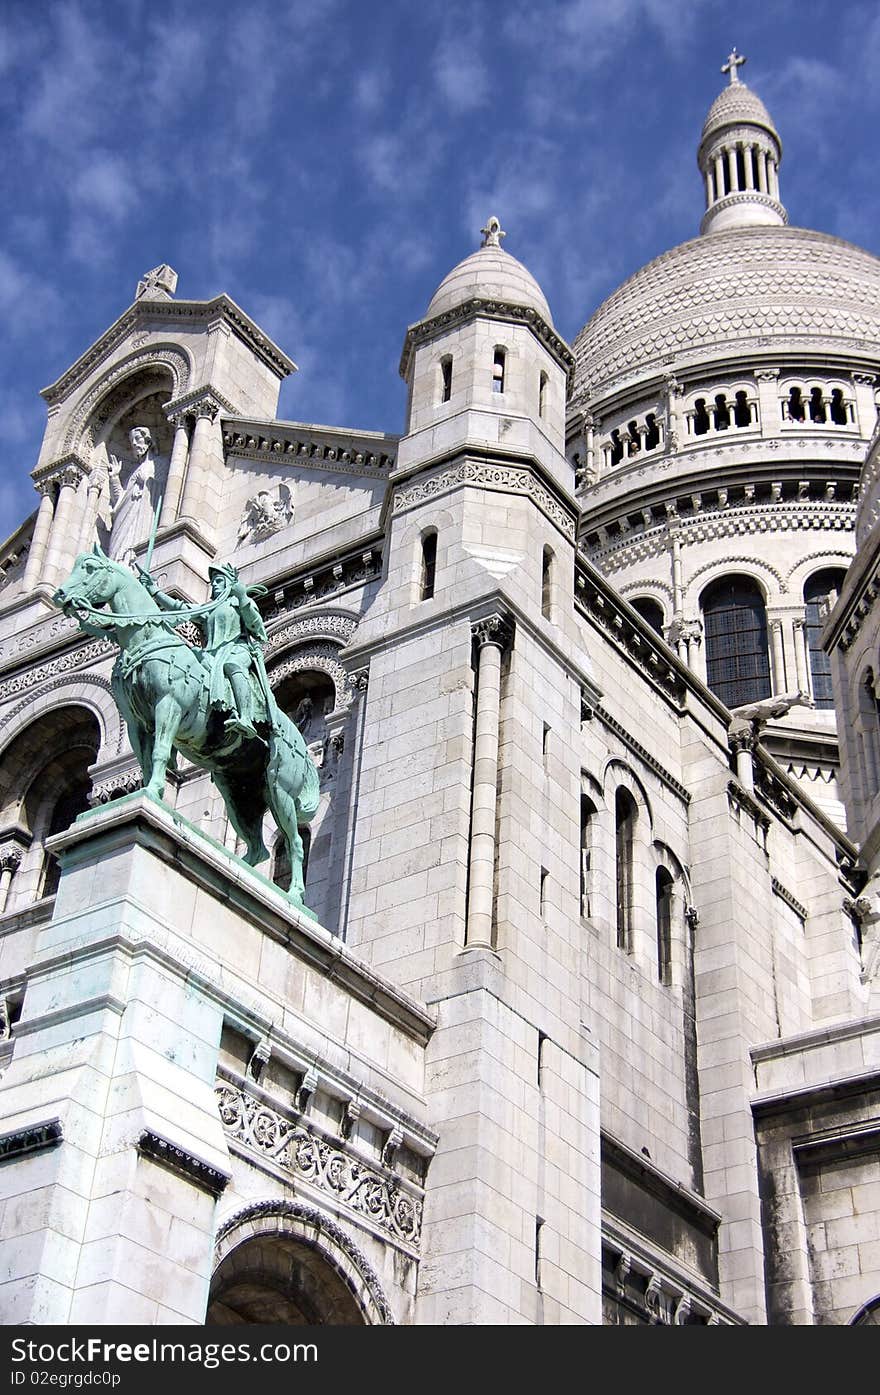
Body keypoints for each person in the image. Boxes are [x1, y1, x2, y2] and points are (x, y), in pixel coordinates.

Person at [138, 561, 269, 741]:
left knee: (232, 665)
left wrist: (243, 598)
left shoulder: (238, 601)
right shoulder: (209, 609)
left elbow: (256, 627)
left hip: (237, 648)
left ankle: (245, 717)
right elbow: (179, 608)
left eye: (219, 580)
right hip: (212, 653)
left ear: (229, 583)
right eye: (213, 581)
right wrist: (155, 591)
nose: (213, 584)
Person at [107, 426, 157, 564]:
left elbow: (164, 493)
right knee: (117, 552)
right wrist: (115, 478)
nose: (134, 443)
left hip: (143, 516)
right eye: (131, 441)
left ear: (148, 440)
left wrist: (147, 482)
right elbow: (120, 500)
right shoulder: (132, 474)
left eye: (137, 438)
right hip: (124, 517)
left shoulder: (159, 464)